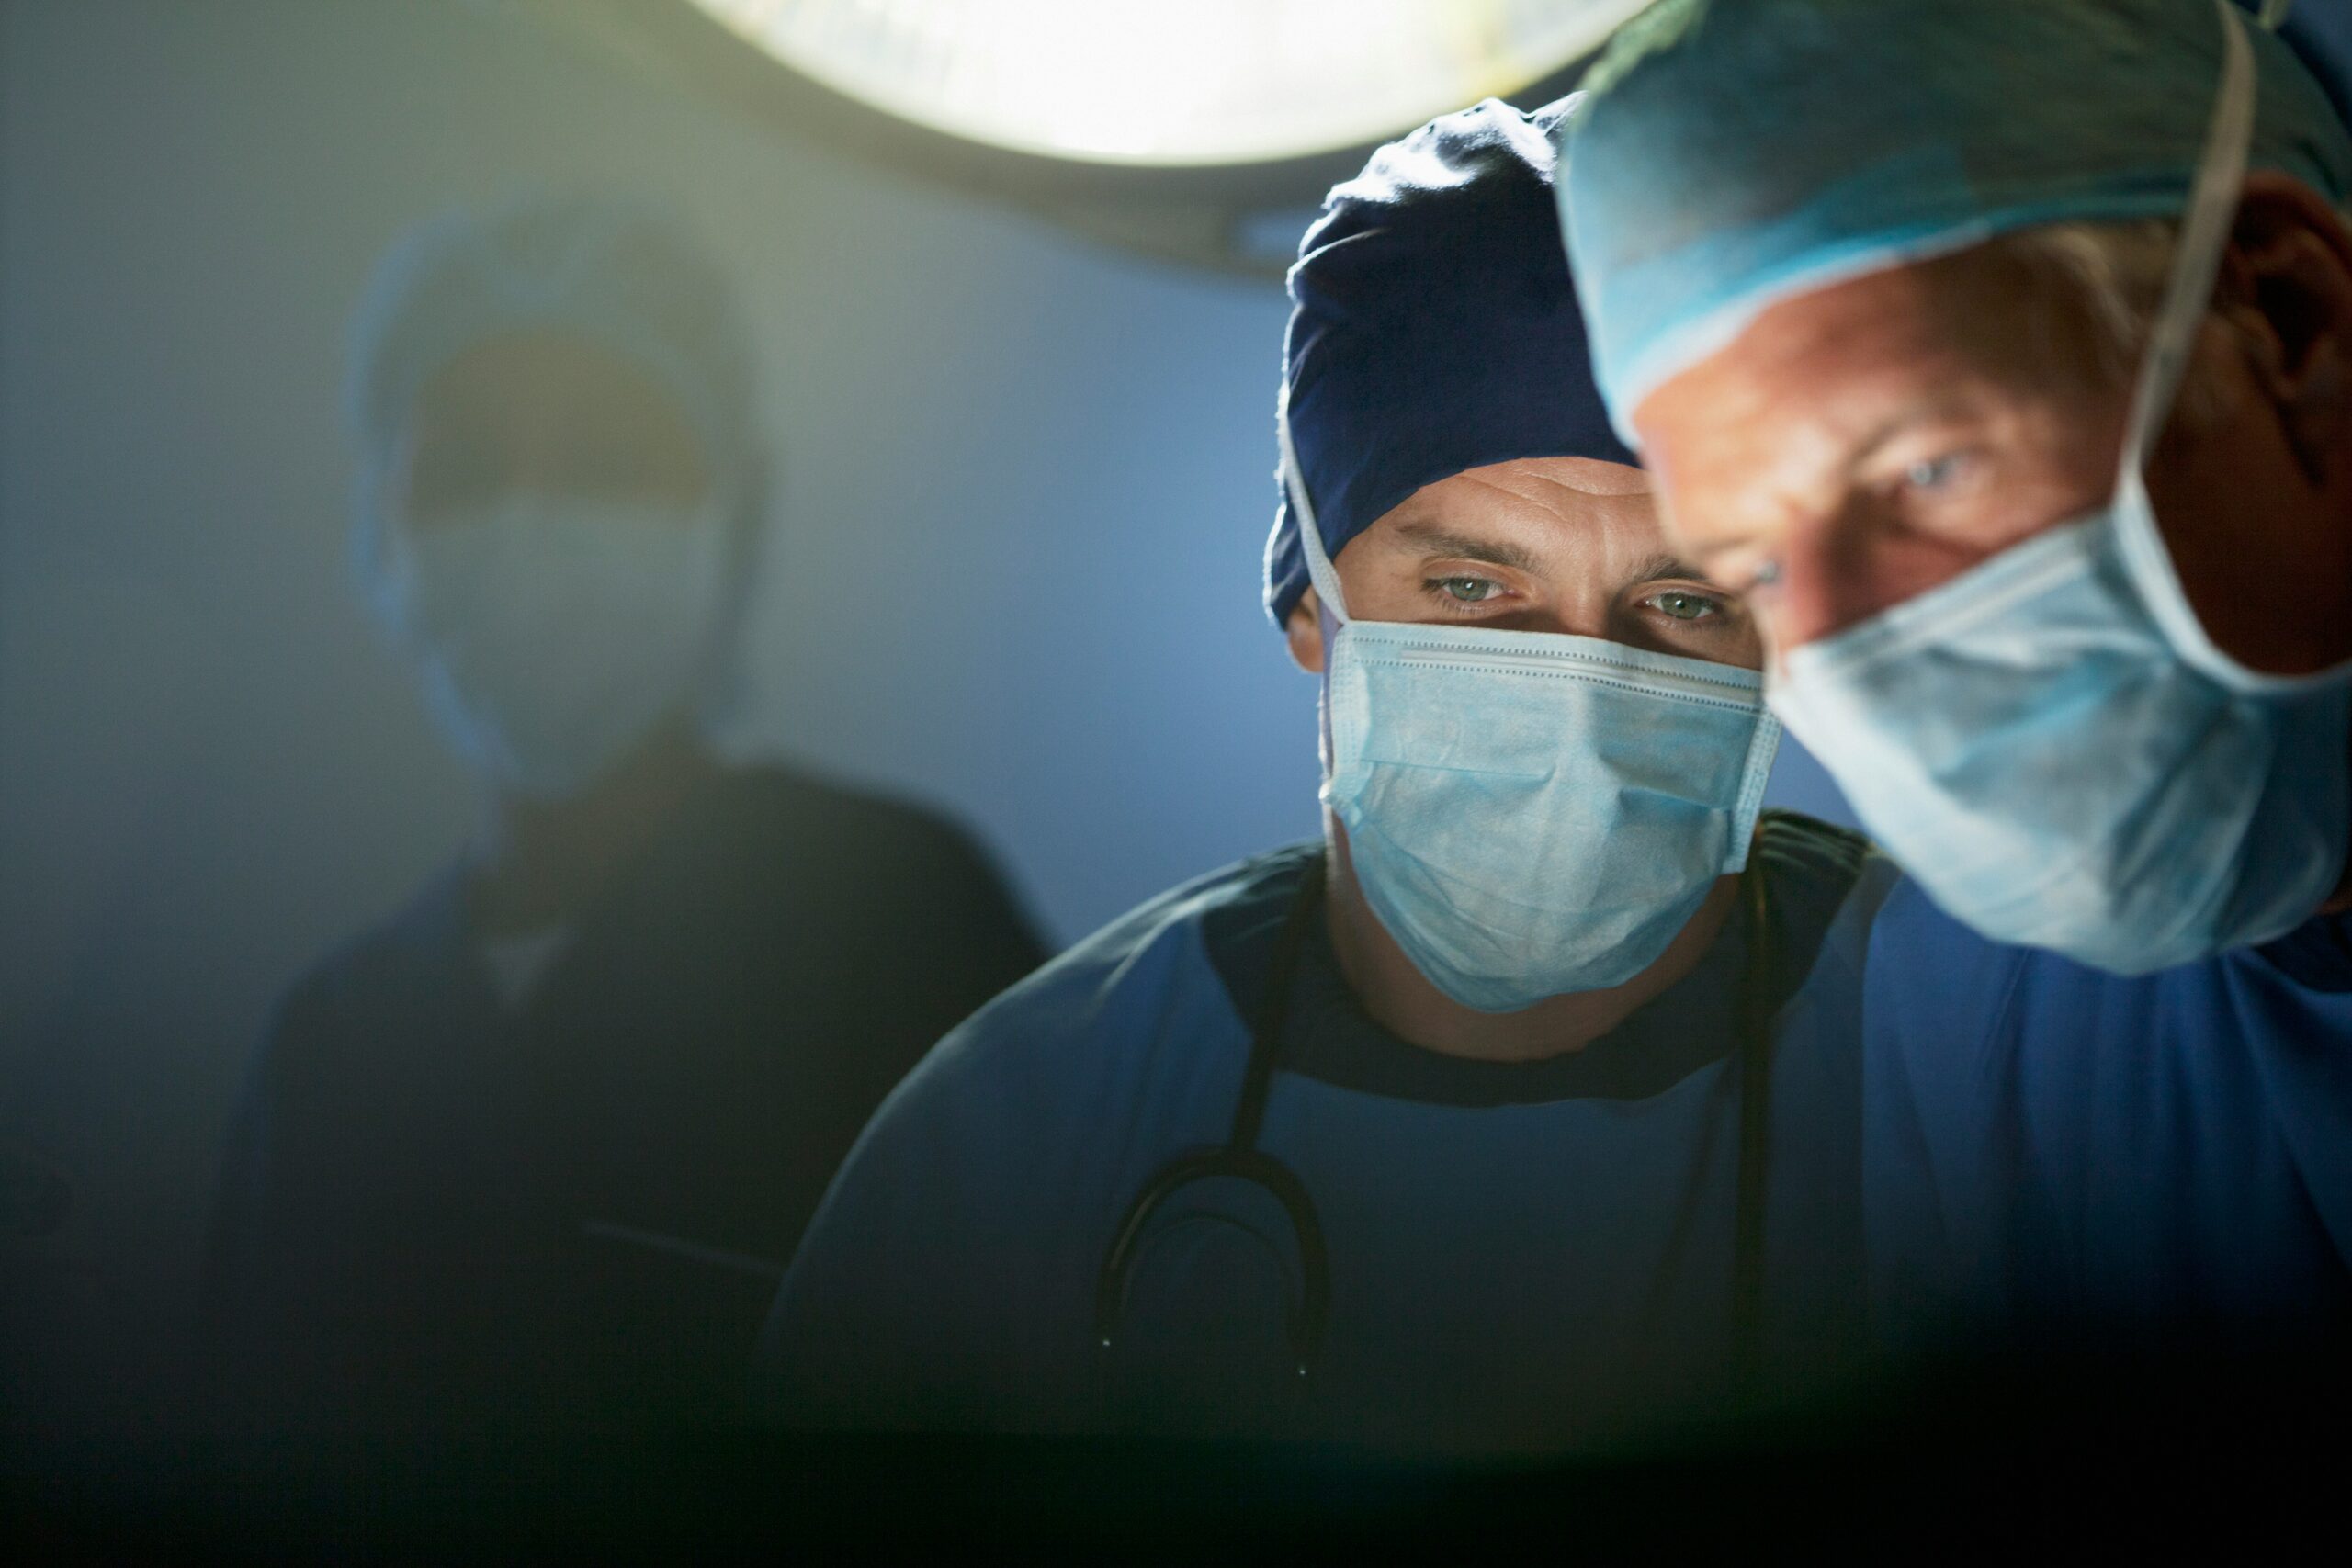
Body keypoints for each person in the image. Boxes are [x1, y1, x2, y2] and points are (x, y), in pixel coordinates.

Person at [751, 101, 1896, 1456]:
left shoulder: (2005, 1046)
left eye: (1683, 603)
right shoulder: (1024, 1128)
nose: (1584, 691)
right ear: (1312, 604)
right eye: (1474, 587)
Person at [1553, 2, 2352, 1364]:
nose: (1852, 648)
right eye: (1751, 566)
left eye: (1926, 471)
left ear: (2287, 319)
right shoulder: (1971, 1033)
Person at [198, 195, 1047, 1436]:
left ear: (731, 512)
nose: (531, 517)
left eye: (607, 456)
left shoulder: (890, 914)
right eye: (469, 465)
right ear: (384, 531)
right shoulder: (332, 1053)